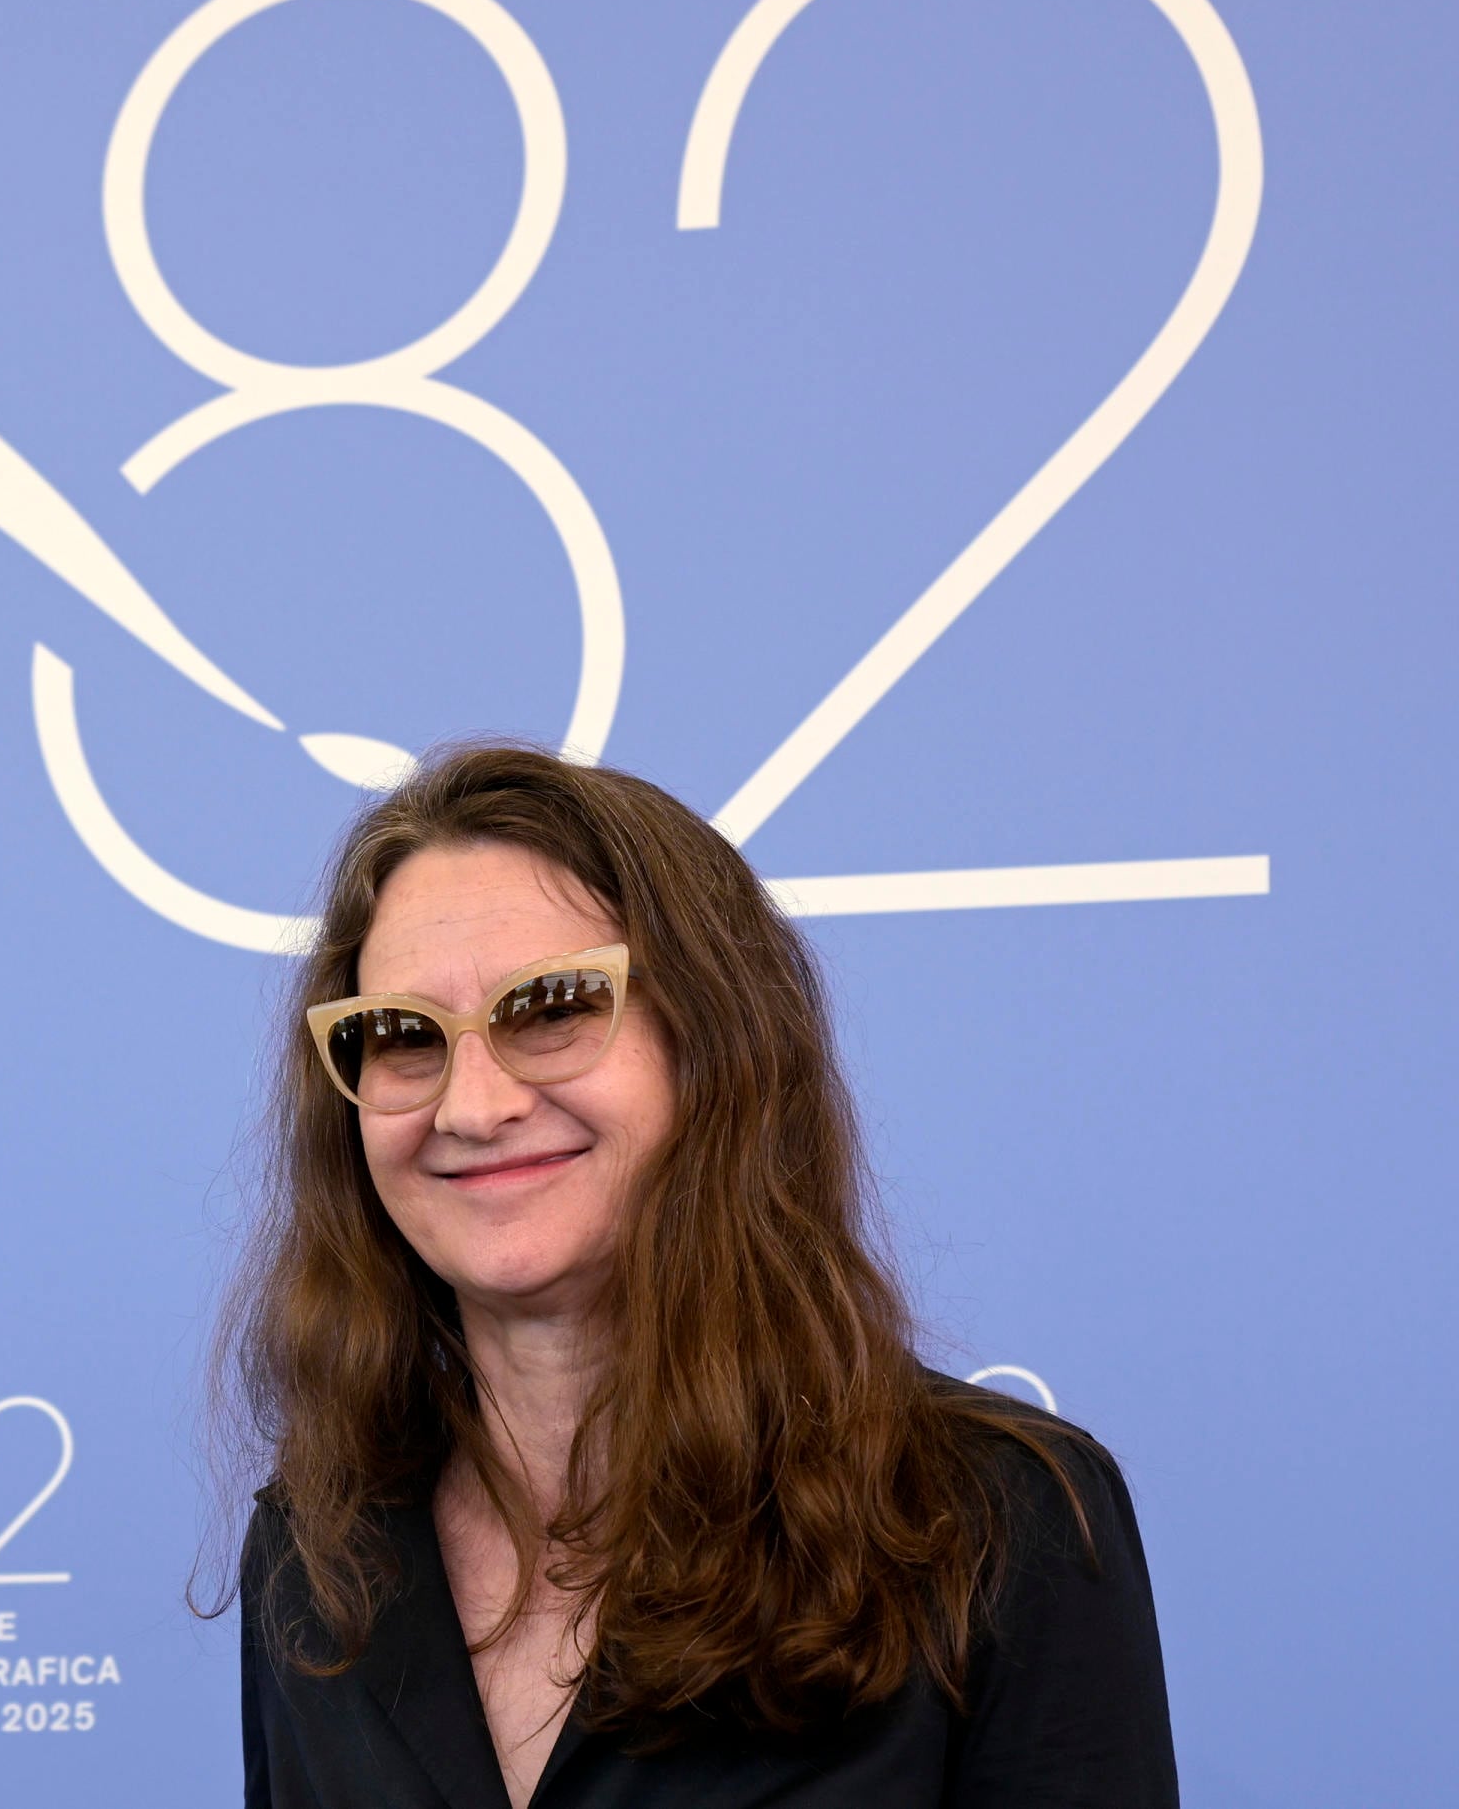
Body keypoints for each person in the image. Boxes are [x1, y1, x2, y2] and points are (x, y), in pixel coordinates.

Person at [226, 745, 1174, 1807]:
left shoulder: (994, 1525)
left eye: (555, 1008)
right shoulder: (321, 1553)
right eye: (402, 1035)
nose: (472, 1106)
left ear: (714, 1046)